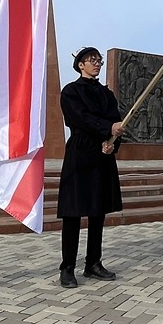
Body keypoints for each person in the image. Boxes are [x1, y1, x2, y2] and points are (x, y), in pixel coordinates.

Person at [57, 47, 123, 288]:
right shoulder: (71, 91)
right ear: (80, 65)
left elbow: (117, 122)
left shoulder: (107, 95)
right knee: (73, 213)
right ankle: (67, 267)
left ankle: (93, 263)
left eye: (99, 60)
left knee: (98, 211)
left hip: (102, 156)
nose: (96, 64)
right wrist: (107, 129)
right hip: (80, 154)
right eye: (91, 60)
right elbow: (79, 118)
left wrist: (113, 144)